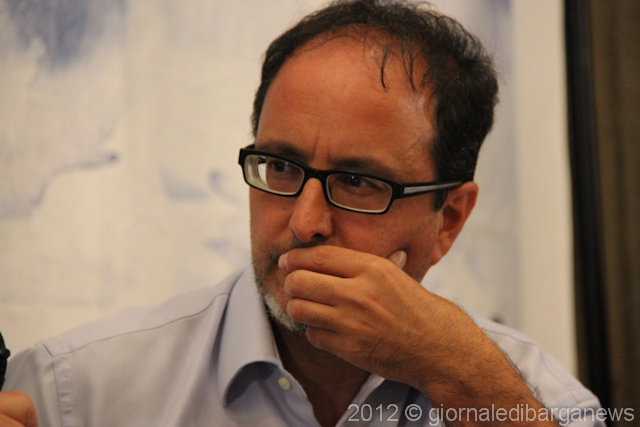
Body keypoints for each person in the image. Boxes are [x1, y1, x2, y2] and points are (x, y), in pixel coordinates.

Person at [2, 1, 602, 426]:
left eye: (357, 181)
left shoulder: (539, 398)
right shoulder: (76, 391)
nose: (305, 221)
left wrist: (457, 372)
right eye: (281, 167)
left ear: (448, 218)